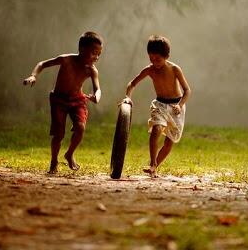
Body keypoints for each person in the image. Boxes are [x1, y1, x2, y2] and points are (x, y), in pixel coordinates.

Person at [23, 31, 103, 174]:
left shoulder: (91, 70)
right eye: (93, 53)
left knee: (80, 127)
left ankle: (69, 154)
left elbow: (98, 89)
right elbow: (42, 64)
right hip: (59, 99)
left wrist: (96, 96)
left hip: (78, 100)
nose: (96, 57)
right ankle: (54, 161)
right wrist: (33, 76)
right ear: (82, 49)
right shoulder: (66, 60)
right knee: (58, 134)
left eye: (98, 54)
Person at [122, 35, 191, 178]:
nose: (155, 63)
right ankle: (152, 162)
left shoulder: (175, 69)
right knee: (156, 129)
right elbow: (132, 83)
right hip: (159, 104)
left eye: (158, 59)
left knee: (169, 142)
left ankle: (155, 167)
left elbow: (187, 90)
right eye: (151, 59)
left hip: (175, 107)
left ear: (166, 56)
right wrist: (128, 96)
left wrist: (180, 105)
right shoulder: (150, 70)